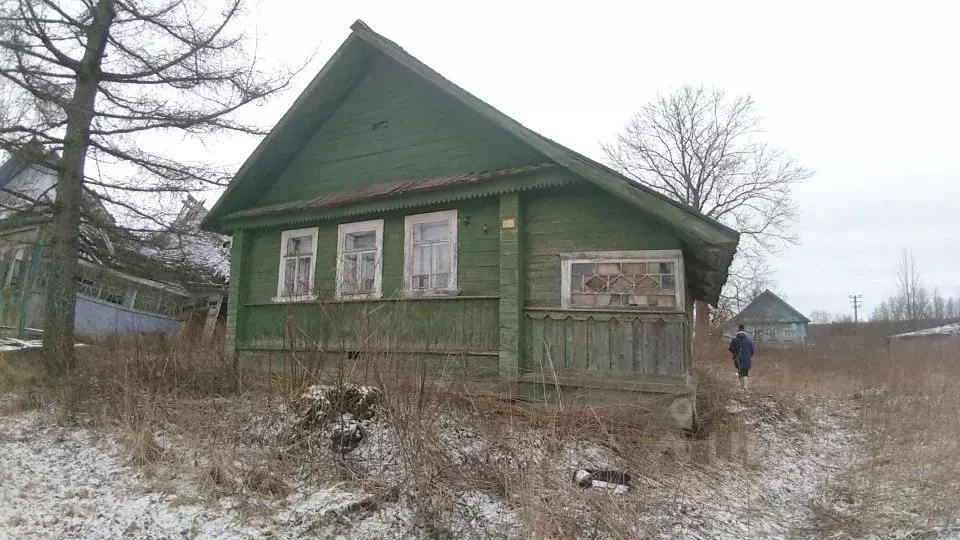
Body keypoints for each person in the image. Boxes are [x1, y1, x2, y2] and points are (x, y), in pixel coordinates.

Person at [728, 324, 754, 390]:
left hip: (738, 358)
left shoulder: (734, 340)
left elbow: (730, 349)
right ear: (744, 331)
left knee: (740, 371)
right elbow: (752, 351)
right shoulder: (749, 340)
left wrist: (735, 352)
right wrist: (749, 356)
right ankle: (745, 386)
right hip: (747, 359)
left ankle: (743, 386)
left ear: (738, 330)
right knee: (745, 372)